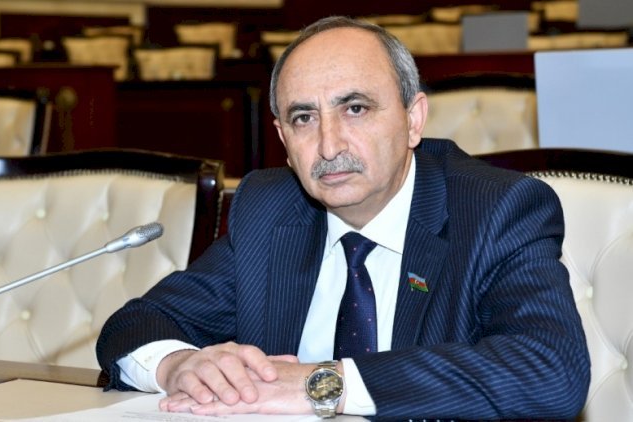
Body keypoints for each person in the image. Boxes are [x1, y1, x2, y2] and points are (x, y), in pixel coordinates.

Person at [96, 16, 590, 420]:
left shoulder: (495, 209)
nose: (329, 146)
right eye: (304, 118)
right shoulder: (271, 210)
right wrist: (178, 364)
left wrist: (321, 385)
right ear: (283, 139)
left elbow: (551, 371)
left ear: (413, 119)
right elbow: (136, 324)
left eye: (355, 108)